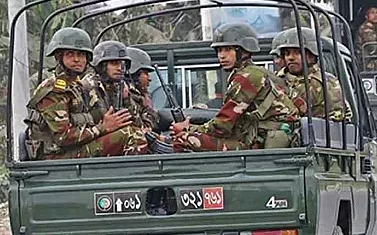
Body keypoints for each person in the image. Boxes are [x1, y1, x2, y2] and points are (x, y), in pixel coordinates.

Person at [167, 23, 300, 152]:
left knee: (183, 139)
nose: (222, 55)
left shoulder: (247, 77)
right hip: (262, 139)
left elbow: (222, 126)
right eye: (219, 50)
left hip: (260, 144)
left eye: (228, 49)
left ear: (244, 51)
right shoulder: (259, 73)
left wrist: (187, 129)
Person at [24, 27, 147, 160]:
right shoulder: (54, 89)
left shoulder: (76, 86)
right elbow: (62, 137)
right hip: (55, 157)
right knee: (128, 134)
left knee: (134, 131)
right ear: (59, 57)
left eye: (81, 55)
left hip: (73, 149)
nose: (77, 59)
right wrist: (102, 128)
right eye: (70, 54)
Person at [276, 27, 350, 122]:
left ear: (311, 55)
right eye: (287, 53)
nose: (290, 58)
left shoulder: (326, 82)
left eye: (297, 53)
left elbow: (337, 119)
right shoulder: (276, 81)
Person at [126, 47, 159, 130]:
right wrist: (149, 108)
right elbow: (145, 129)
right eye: (146, 73)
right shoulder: (127, 95)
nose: (149, 78)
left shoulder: (138, 96)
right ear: (135, 74)